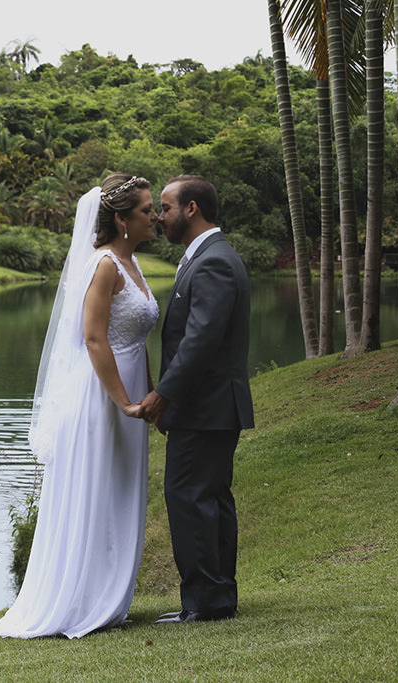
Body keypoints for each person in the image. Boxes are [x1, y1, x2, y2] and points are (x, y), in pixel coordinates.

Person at [0, 173, 159, 639]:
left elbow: (136, 340)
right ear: (122, 219)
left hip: (131, 392)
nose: (155, 216)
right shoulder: (103, 265)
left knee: (120, 489)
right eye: (146, 210)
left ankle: (109, 597)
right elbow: (93, 338)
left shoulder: (133, 264)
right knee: (95, 488)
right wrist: (123, 402)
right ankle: (80, 600)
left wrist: (150, 393)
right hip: (101, 396)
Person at [139, 175, 254, 624]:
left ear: (191, 209)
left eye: (164, 207)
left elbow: (201, 339)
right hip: (210, 407)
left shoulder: (213, 262)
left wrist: (163, 394)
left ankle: (205, 604)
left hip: (207, 407)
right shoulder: (207, 257)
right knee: (209, 500)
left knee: (190, 499)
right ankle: (217, 597)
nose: (158, 216)